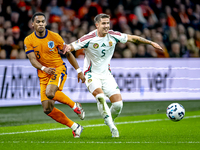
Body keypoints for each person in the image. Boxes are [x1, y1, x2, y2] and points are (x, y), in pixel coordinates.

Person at [62, 13, 163, 138]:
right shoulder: (88, 38)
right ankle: (112, 127)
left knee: (118, 105)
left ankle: (108, 119)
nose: (106, 26)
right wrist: (77, 69)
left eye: (108, 23)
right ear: (97, 25)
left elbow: (133, 38)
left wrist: (150, 43)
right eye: (103, 23)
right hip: (91, 74)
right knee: (100, 96)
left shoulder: (113, 36)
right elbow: (70, 48)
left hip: (107, 75)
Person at [24, 12, 86, 138]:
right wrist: (43, 68)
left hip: (58, 69)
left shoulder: (55, 36)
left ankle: (75, 106)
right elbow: (32, 59)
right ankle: (75, 127)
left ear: (46, 23)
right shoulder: (28, 40)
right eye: (38, 22)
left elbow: (68, 53)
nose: (40, 24)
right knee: (47, 109)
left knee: (50, 93)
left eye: (42, 21)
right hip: (43, 73)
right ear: (33, 24)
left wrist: (79, 71)